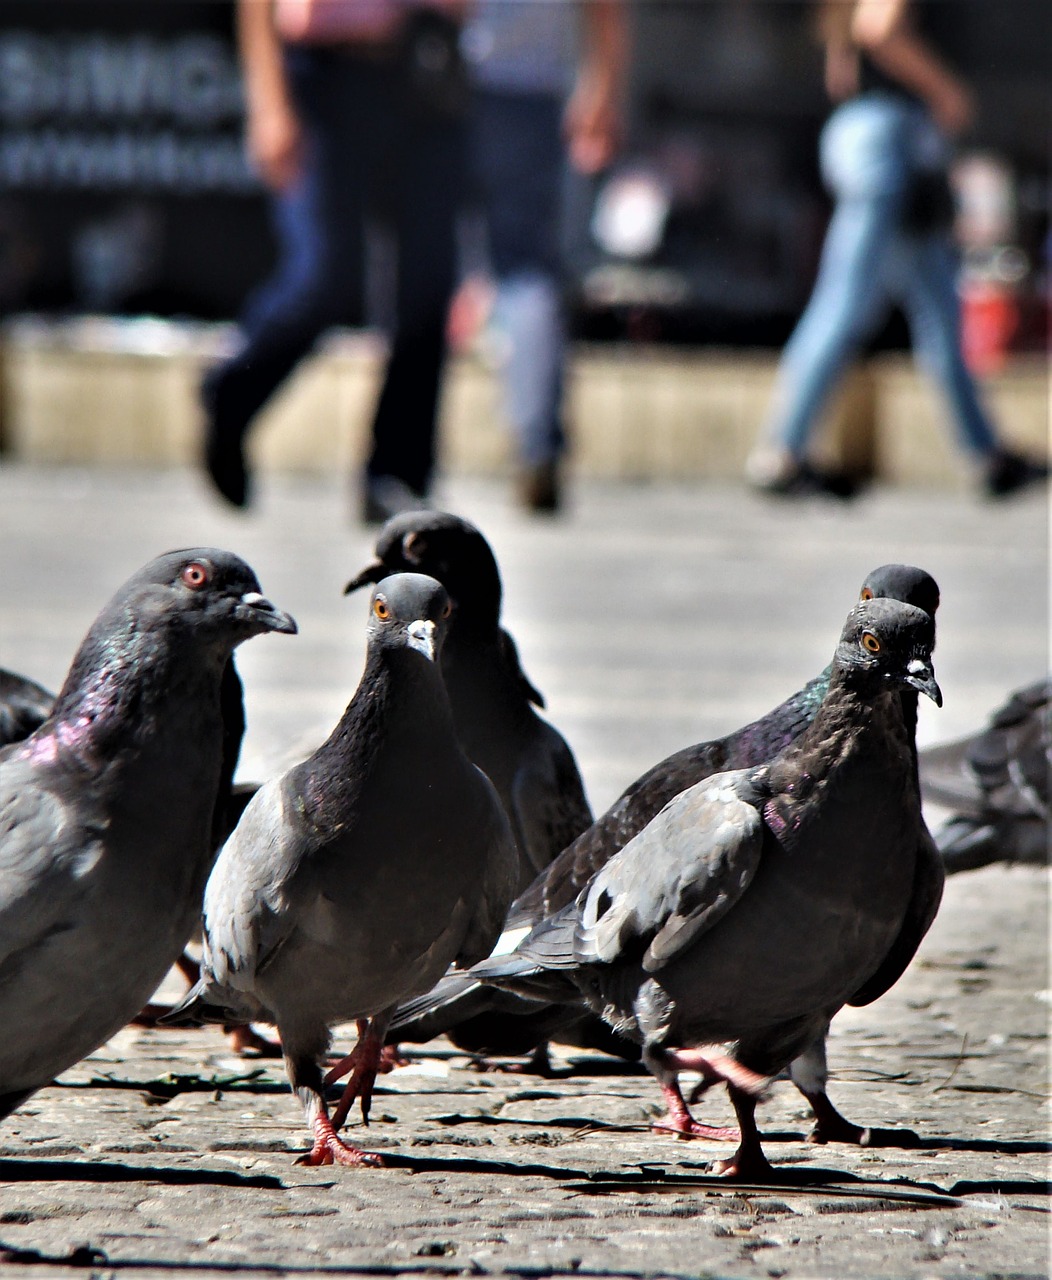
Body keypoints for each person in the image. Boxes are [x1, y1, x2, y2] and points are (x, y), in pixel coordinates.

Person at [746, 0, 1048, 500]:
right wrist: (946, 91)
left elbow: (841, 71)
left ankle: (988, 455)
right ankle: (780, 452)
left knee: (939, 313)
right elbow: (879, 29)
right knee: (844, 304)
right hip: (889, 144)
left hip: (876, 138)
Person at [202, 0, 469, 523]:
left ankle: (397, 475)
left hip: (427, 61)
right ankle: (233, 391)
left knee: (428, 282)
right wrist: (268, 100)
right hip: (325, 74)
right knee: (326, 277)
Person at [462, 0, 628, 512]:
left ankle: (395, 455)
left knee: (418, 266)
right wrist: (602, 87)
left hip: (449, 80)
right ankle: (538, 442)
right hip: (531, 92)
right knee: (528, 273)